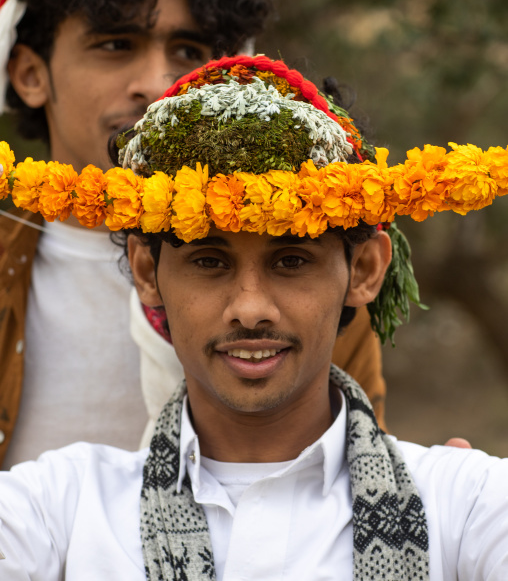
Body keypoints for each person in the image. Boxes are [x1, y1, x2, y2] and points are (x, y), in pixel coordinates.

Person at [0, 55, 506, 579]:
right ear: (147, 271)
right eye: (208, 261)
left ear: (364, 269)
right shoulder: (59, 510)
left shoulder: (465, 507)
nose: (249, 309)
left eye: (291, 261)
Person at [0, 0, 386, 467]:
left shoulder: (313, 265)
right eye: (115, 45)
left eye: (188, 52)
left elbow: (349, 479)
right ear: (29, 73)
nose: (157, 84)